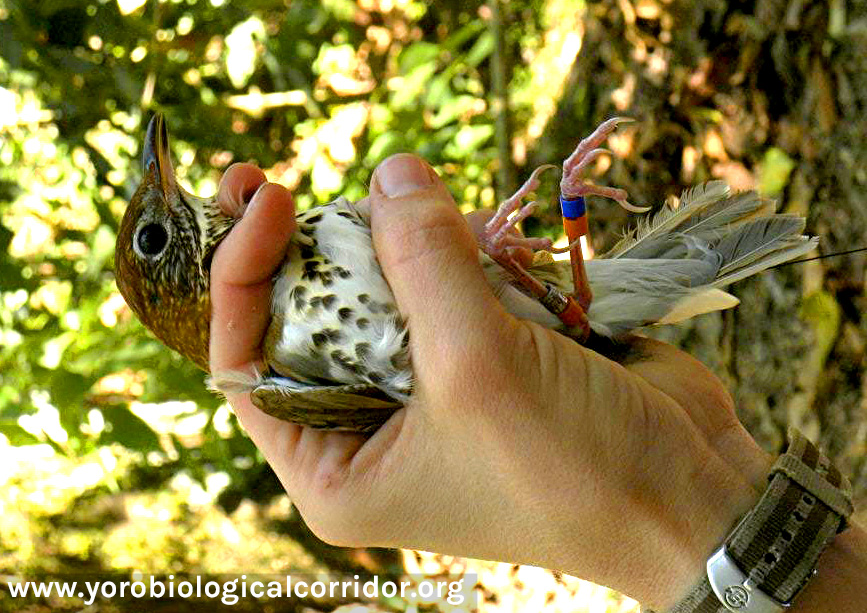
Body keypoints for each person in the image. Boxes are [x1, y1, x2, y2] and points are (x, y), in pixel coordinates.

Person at [209, 154, 866, 611]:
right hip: (568, 315)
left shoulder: (296, 259)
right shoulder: (278, 364)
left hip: (559, 302)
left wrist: (706, 509)